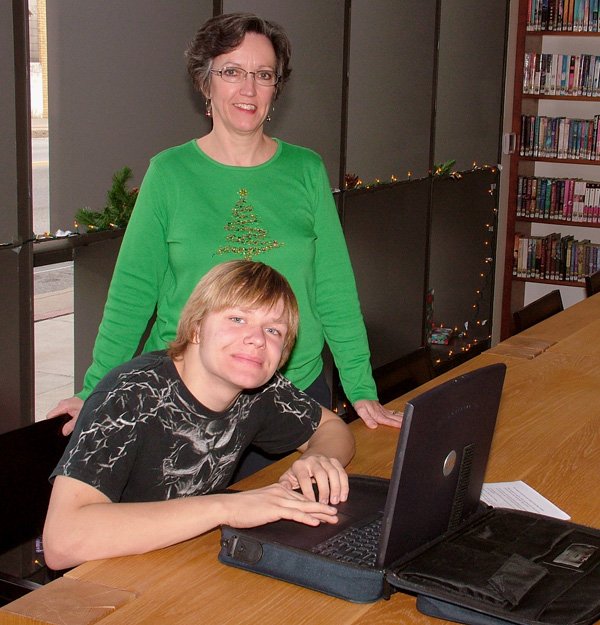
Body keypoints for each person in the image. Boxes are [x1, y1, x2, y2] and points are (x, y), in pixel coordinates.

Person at [48, 12, 403, 436]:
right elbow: (132, 293)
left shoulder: (306, 170)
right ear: (205, 82)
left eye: (264, 74)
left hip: (294, 393)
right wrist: (96, 390)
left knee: (302, 501)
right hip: (188, 399)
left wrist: (361, 386)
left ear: (277, 88)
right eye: (232, 71)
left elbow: (333, 288)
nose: (248, 89)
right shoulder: (169, 173)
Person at [43, 260, 355, 571]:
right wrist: (226, 508)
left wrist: (319, 458)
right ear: (196, 327)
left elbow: (330, 427)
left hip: (181, 563)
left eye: (273, 330)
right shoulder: (130, 395)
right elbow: (62, 542)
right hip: (107, 581)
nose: (257, 338)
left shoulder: (260, 392)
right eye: (237, 318)